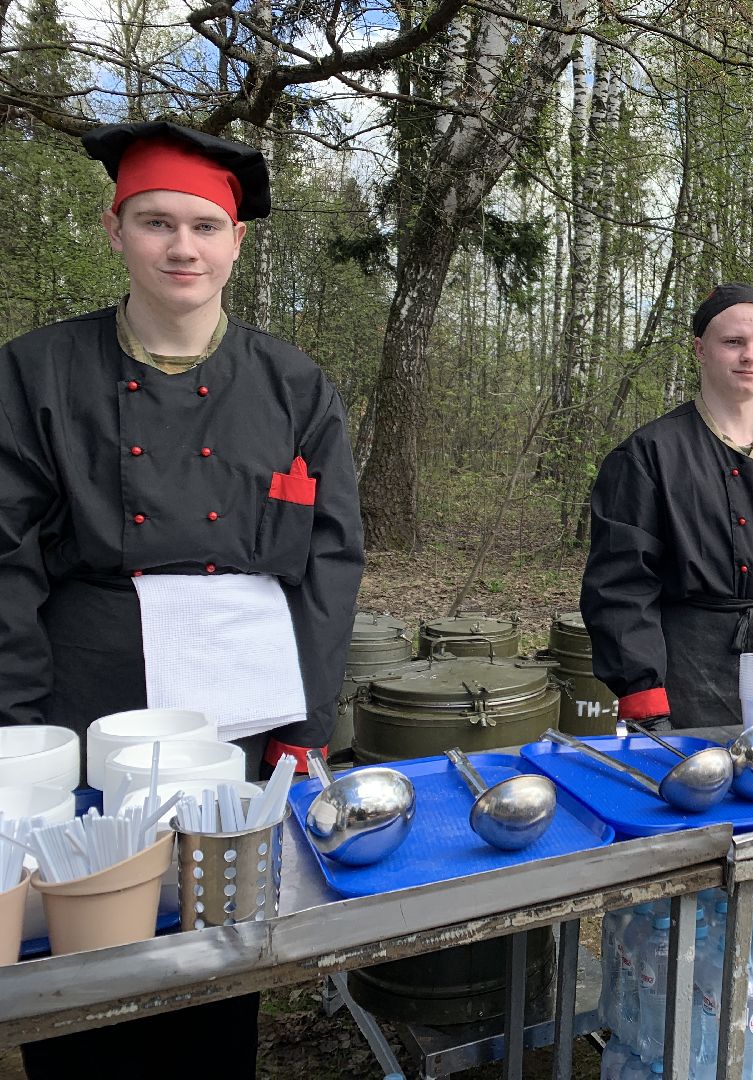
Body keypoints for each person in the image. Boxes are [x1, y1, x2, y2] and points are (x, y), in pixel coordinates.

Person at [0, 120, 364, 1075]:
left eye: (204, 226)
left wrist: (305, 724)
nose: (182, 247)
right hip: (87, 699)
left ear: (236, 243)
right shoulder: (37, 372)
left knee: (216, 940)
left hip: (235, 710)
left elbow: (329, 563)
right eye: (156, 222)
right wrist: (17, 725)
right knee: (87, 950)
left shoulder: (296, 386)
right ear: (116, 229)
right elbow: (4, 558)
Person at [580, 283, 753, 729]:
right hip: (687, 667)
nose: (750, 355)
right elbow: (622, 586)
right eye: (733, 343)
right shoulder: (649, 454)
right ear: (700, 349)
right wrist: (645, 697)